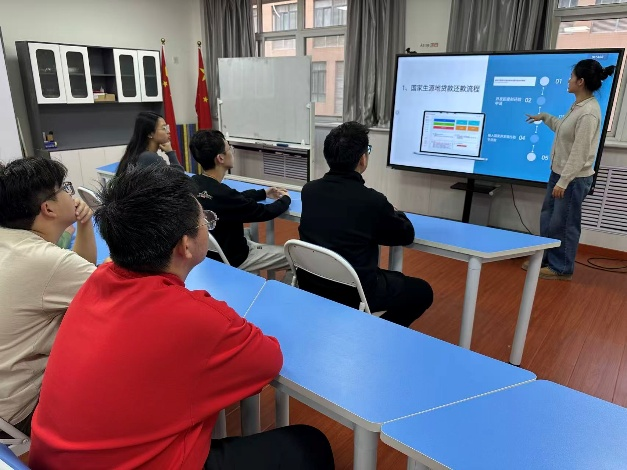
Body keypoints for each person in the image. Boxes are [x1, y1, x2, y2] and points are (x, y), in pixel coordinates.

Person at [29, 165, 334, 470]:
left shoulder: (97, 278)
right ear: (184, 245)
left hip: (48, 459)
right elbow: (269, 360)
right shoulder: (195, 317)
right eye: (205, 220)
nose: (206, 226)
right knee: (309, 444)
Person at [299, 121, 433, 327]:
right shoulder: (372, 201)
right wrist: (397, 213)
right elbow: (406, 235)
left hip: (313, 283)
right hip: (356, 291)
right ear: (363, 158)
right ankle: (376, 331)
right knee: (422, 291)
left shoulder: (309, 190)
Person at [0, 157, 97, 436]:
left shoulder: (11, 241)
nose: (70, 194)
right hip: (17, 414)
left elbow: (76, 273)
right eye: (64, 188)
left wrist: (84, 225)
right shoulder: (46, 261)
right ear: (48, 208)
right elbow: (115, 291)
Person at [525, 59, 615, 280]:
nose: (568, 80)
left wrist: (564, 181)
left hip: (572, 179)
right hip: (559, 173)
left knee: (564, 224)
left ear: (580, 81)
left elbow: (580, 152)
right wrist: (545, 117)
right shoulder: (578, 106)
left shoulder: (589, 112)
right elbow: (563, 129)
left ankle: (562, 268)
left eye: (572, 76)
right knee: (548, 218)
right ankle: (546, 259)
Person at [189, 130, 292, 274]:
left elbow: (234, 199)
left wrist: (263, 193)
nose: (232, 152)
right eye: (229, 148)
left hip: (210, 254)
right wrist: (286, 199)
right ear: (220, 158)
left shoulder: (193, 183)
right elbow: (264, 212)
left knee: (248, 232)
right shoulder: (225, 195)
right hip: (236, 258)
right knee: (294, 256)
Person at [115, 111, 184, 177]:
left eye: (167, 127)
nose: (168, 131)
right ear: (150, 134)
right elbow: (180, 178)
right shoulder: (149, 157)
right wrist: (170, 153)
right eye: (164, 128)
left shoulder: (140, 154)